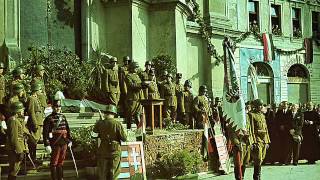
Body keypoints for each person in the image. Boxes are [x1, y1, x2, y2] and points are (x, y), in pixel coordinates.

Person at [92, 104, 127, 180]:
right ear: (114, 113)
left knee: (103, 172)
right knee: (114, 171)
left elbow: (93, 135)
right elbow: (124, 138)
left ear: (105, 113)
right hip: (115, 150)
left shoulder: (99, 123)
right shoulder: (117, 124)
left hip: (103, 150)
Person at [43, 99, 72, 180]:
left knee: (61, 162)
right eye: (56, 106)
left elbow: (67, 129)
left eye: (59, 106)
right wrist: (47, 144)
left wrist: (69, 140)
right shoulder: (49, 118)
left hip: (64, 143)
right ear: (52, 107)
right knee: (54, 163)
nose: (58, 108)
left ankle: (61, 178)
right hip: (55, 143)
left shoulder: (63, 117)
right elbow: (45, 133)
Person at [6, 101, 30, 180]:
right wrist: (19, 151)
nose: (23, 111)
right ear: (18, 111)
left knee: (15, 169)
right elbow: (14, 138)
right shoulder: (13, 121)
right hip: (15, 150)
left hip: (17, 148)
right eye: (22, 109)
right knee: (14, 170)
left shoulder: (16, 120)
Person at [249, 99, 270, 180]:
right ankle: (256, 177)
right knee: (258, 159)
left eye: (262, 105)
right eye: (260, 105)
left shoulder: (262, 115)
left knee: (261, 159)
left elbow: (266, 129)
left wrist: (267, 141)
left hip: (264, 140)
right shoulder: (251, 115)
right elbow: (251, 129)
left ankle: (258, 176)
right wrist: (253, 142)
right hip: (257, 140)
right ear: (256, 106)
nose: (261, 107)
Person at [27, 82, 45, 164]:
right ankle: (32, 157)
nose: (41, 91)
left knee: (35, 141)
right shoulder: (32, 99)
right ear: (35, 90)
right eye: (39, 89)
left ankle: (33, 157)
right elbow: (31, 112)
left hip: (39, 122)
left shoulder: (36, 98)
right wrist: (35, 123)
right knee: (33, 141)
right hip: (35, 123)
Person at [125, 62, 145, 129]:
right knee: (130, 114)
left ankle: (139, 130)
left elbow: (139, 85)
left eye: (137, 68)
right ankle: (129, 129)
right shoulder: (128, 76)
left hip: (139, 97)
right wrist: (141, 85)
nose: (137, 69)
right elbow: (131, 85)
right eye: (136, 68)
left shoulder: (137, 76)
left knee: (137, 114)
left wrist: (144, 85)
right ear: (132, 68)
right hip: (132, 98)